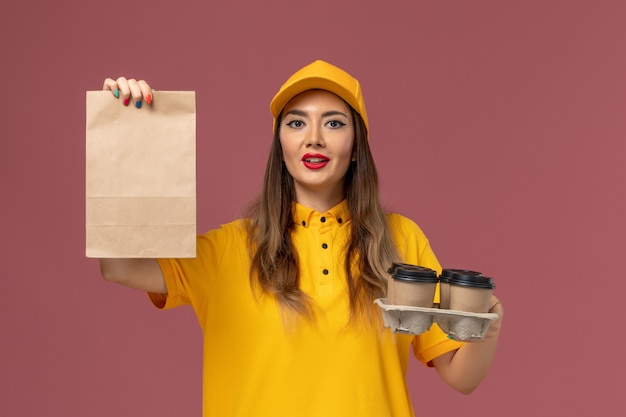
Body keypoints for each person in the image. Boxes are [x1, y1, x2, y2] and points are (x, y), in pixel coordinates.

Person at [98, 60, 504, 417]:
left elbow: (460, 375)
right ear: (281, 145)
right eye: (296, 122)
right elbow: (118, 266)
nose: (314, 137)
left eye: (334, 122)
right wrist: (128, 138)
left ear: (356, 146)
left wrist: (488, 327)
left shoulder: (401, 239)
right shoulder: (228, 248)